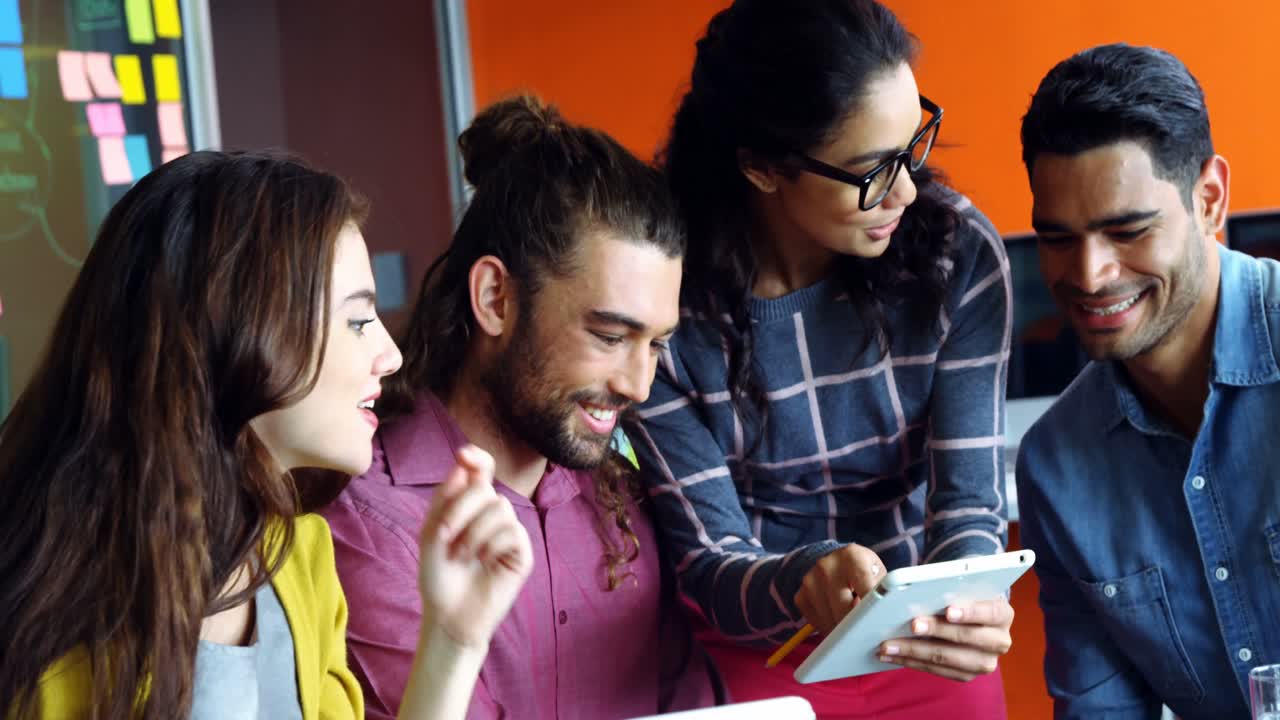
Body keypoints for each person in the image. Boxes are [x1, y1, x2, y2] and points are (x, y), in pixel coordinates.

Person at [0, 150, 532, 720]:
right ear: (239, 327)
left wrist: (453, 641)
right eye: (357, 321)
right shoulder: (44, 617)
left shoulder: (302, 559)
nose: (391, 355)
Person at [630, 0, 1016, 717]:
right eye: (872, 168)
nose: (906, 189)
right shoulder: (662, 306)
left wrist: (966, 593)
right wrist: (803, 578)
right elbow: (709, 558)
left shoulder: (956, 255)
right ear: (762, 167)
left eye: (913, 145)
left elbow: (967, 500)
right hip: (758, 648)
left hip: (923, 631)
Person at [320, 96, 723, 720]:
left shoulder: (628, 501)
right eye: (611, 337)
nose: (640, 385)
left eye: (657, 343)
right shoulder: (366, 521)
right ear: (495, 299)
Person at [1015, 43, 1279, 720]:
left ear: (1210, 198)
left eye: (1126, 230)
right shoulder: (1055, 465)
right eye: (1057, 238)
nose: (1089, 273)